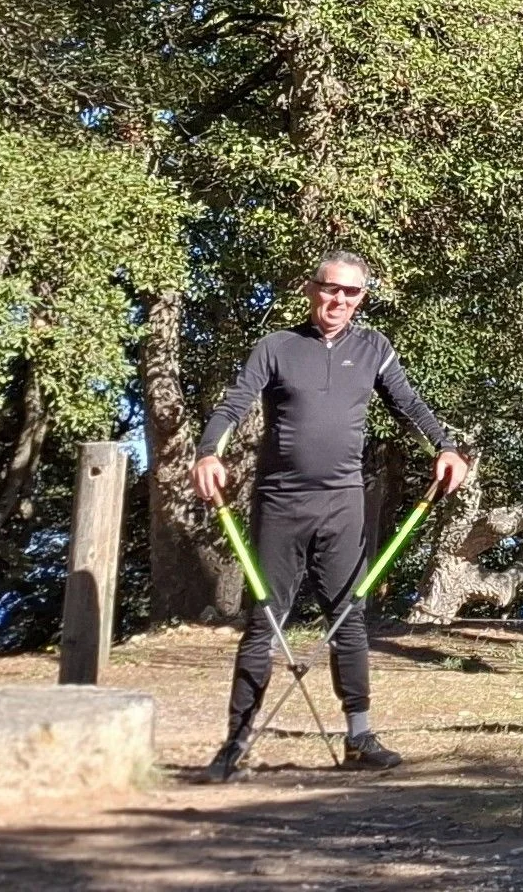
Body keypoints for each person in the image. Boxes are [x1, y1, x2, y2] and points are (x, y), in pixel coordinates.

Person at [193, 250, 472, 780]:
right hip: (280, 503)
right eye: (331, 288)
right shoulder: (276, 346)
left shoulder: (374, 348)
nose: (339, 300)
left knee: (349, 618)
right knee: (264, 621)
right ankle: (236, 742)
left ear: (362, 298)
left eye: (352, 292)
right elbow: (234, 404)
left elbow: (409, 405)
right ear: (311, 288)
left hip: (343, 504)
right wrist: (208, 453)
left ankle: (359, 738)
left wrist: (446, 447)